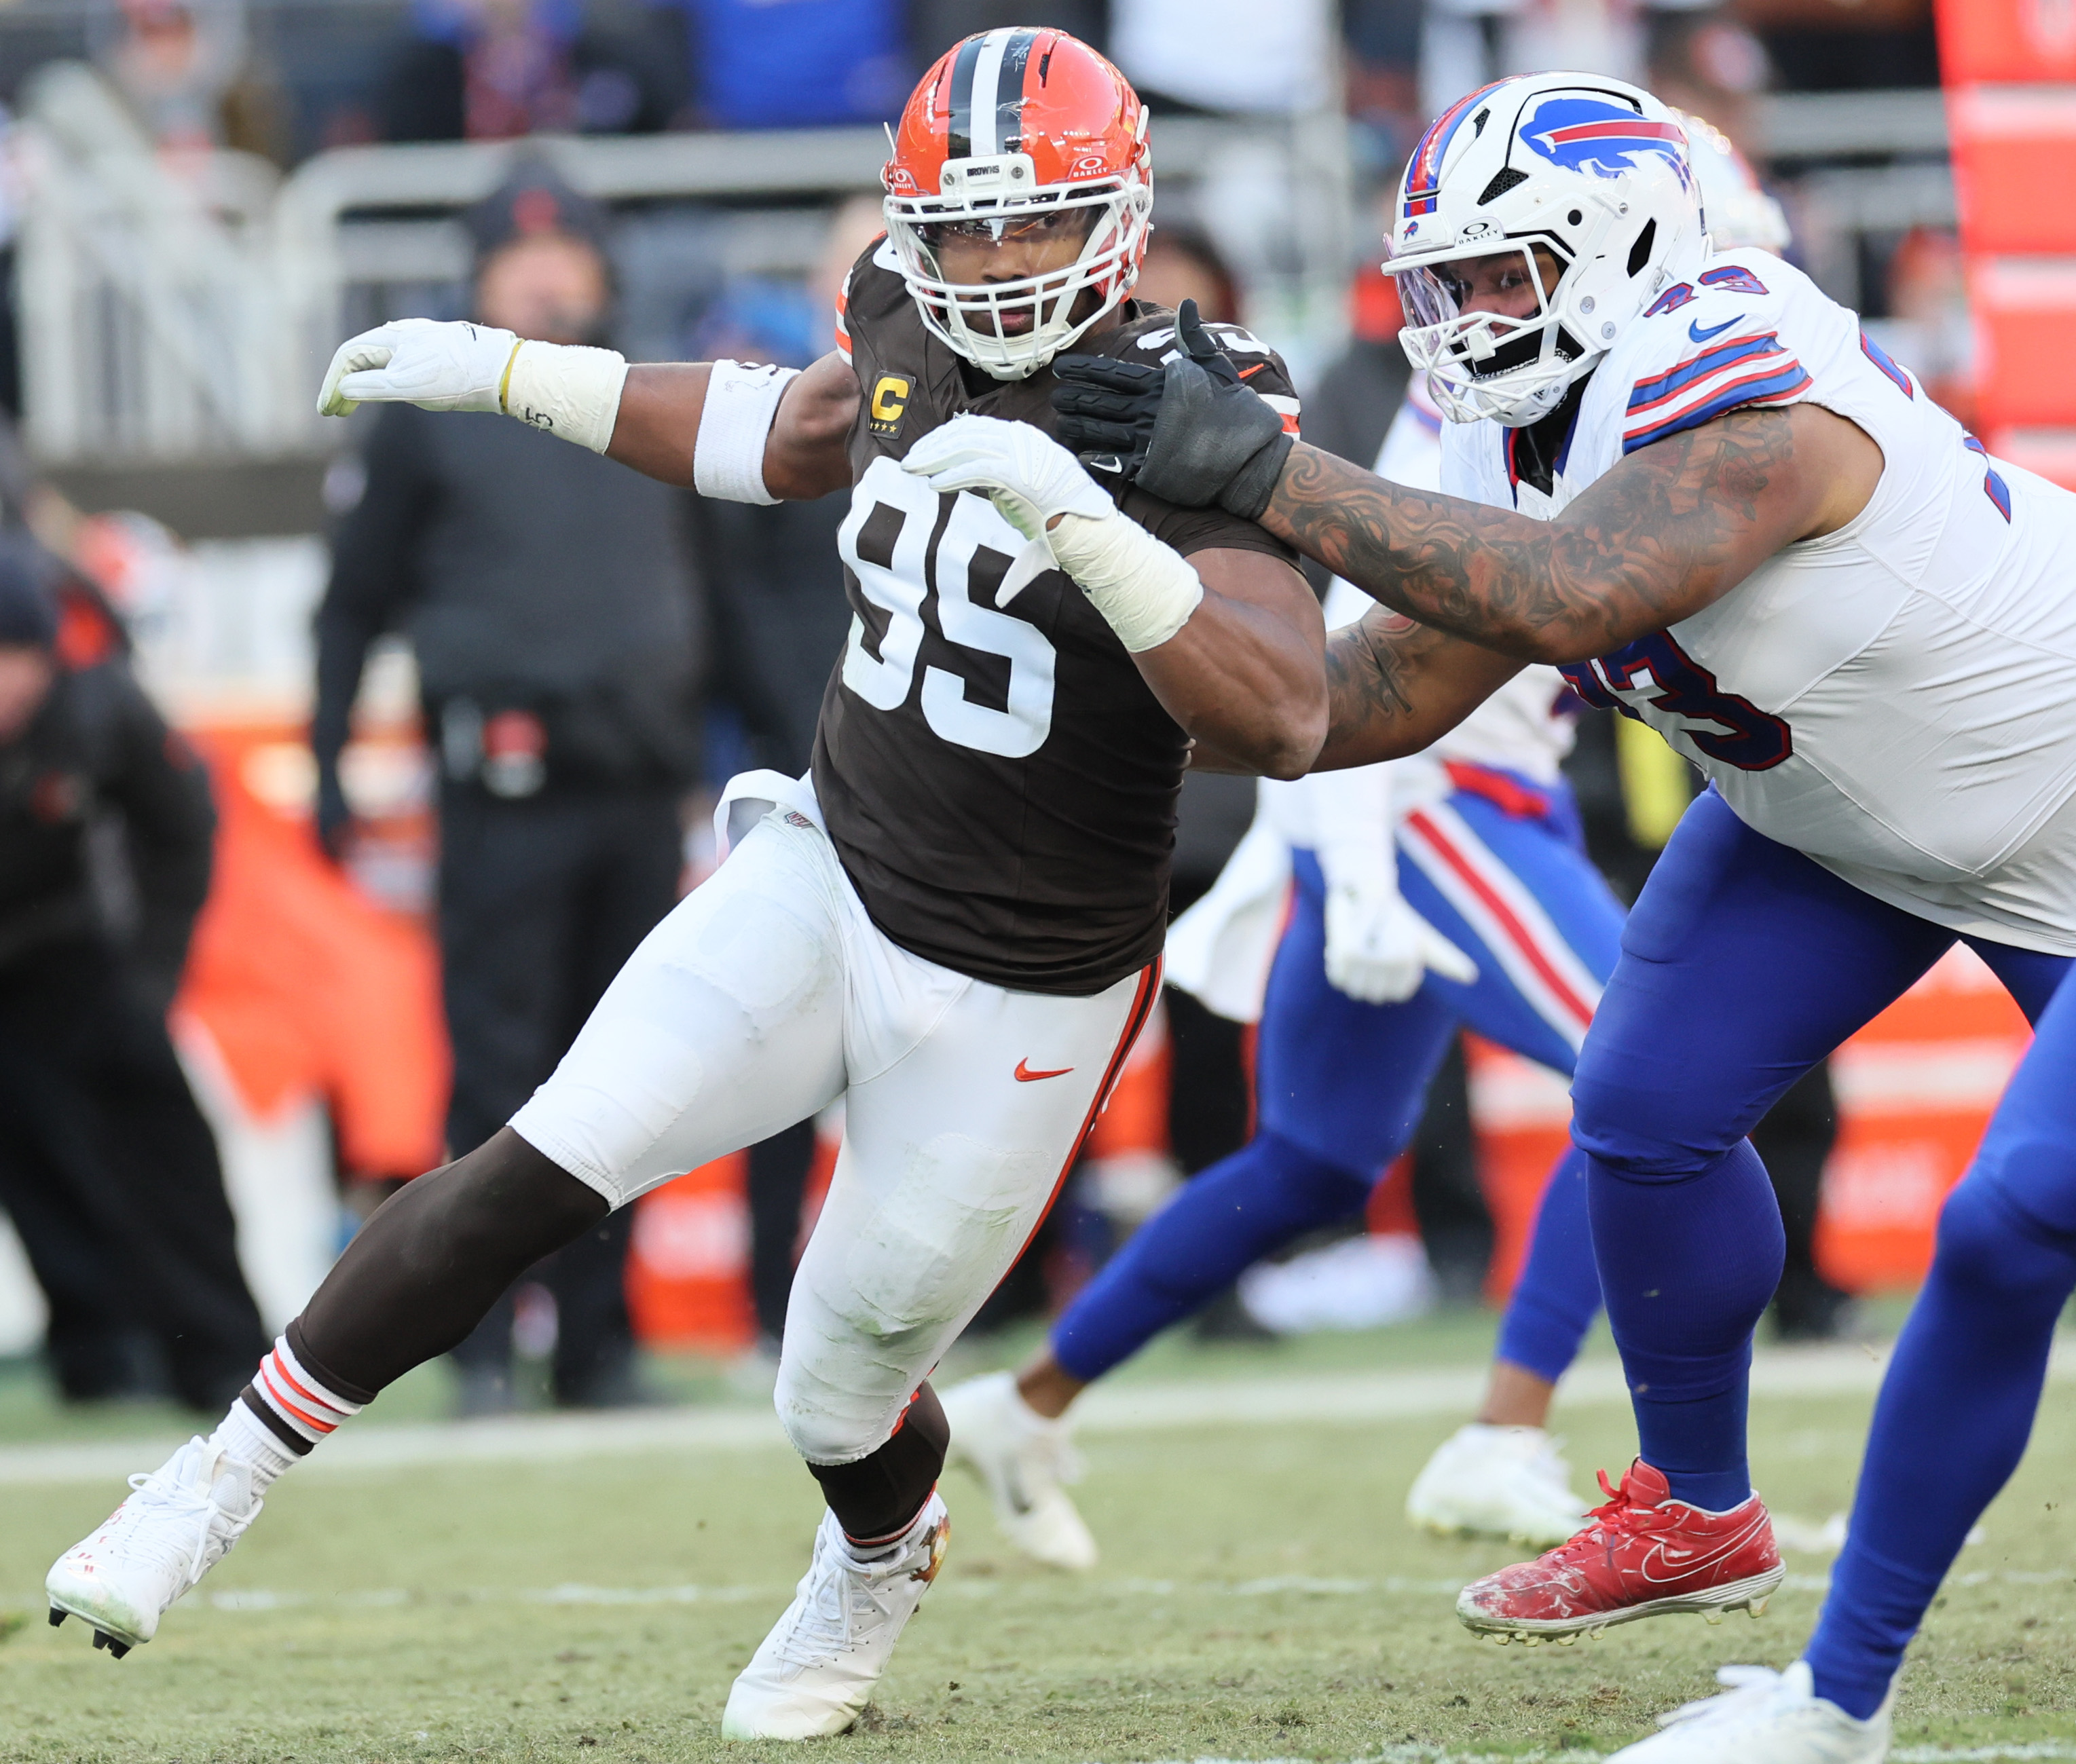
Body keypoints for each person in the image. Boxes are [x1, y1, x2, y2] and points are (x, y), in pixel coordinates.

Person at [46, 28, 1327, 1742]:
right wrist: (514, 372)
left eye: (1032, 221)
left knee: (836, 1390)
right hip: (833, 868)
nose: (992, 262)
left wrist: (1089, 528)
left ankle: (878, 1555)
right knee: (537, 1163)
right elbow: (787, 431)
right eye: (959, 228)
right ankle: (207, 1484)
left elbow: (1281, 711)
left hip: (1028, 977)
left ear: (1118, 215)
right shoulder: (902, 309)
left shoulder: (1196, 397)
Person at [963, 69, 2076, 1761]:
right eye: (1447, 282)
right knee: (1639, 1108)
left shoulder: (1741, 360)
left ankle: (1835, 1702)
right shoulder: (1522, 415)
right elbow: (1360, 697)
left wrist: (1262, 472)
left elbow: (1565, 596)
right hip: (1846, 826)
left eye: (1505, 273)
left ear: (1624, 242)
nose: (1470, 315)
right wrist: (1100, 636)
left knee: (2002, 1230)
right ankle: (1690, 1508)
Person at [940, 360, 1624, 1566]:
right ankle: (1515, 1435)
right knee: (1646, 1082)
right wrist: (1355, 869)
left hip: (1463, 796)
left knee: (1313, 1157)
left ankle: (1027, 1402)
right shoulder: (1481, 411)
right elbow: (1351, 638)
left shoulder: (1599, 385)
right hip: (1430, 803)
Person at [311, 164, 704, 1414]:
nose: (543, 278)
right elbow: (352, 601)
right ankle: (476, 1348)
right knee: (498, 1073)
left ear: (601, 269)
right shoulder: (430, 413)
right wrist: (327, 757)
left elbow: (720, 584)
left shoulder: (652, 395)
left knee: (632, 1077)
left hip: (640, 777)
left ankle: (600, 1347)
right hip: (504, 783)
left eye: (564, 255)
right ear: (475, 279)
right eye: (516, 258)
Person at [0, 545, 267, 1410]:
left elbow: (181, 831)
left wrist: (151, 976)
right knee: (34, 1165)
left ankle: (220, 1355)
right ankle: (100, 1357)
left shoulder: (99, 707)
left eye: (16, 657)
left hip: (80, 952)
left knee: (164, 1155)